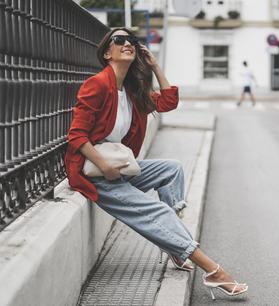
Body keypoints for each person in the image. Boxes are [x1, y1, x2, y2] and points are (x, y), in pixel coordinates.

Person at [64, 27, 248, 300]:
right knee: (157, 213)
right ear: (107, 52)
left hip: (119, 168)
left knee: (172, 169)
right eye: (120, 40)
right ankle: (214, 272)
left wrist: (155, 65)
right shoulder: (98, 84)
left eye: (132, 41)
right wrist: (104, 167)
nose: (128, 43)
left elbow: (168, 102)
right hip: (96, 174)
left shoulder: (130, 90)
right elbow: (76, 135)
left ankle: (175, 246)